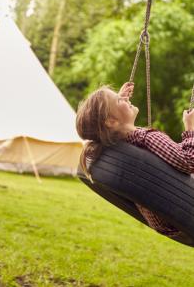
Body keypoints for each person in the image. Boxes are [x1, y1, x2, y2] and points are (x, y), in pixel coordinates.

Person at [76, 82, 194, 237]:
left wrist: (119, 101)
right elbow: (188, 160)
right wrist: (190, 128)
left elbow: (115, 124)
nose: (125, 100)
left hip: (167, 221)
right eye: (120, 100)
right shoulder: (147, 139)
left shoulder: (117, 146)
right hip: (184, 210)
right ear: (111, 121)